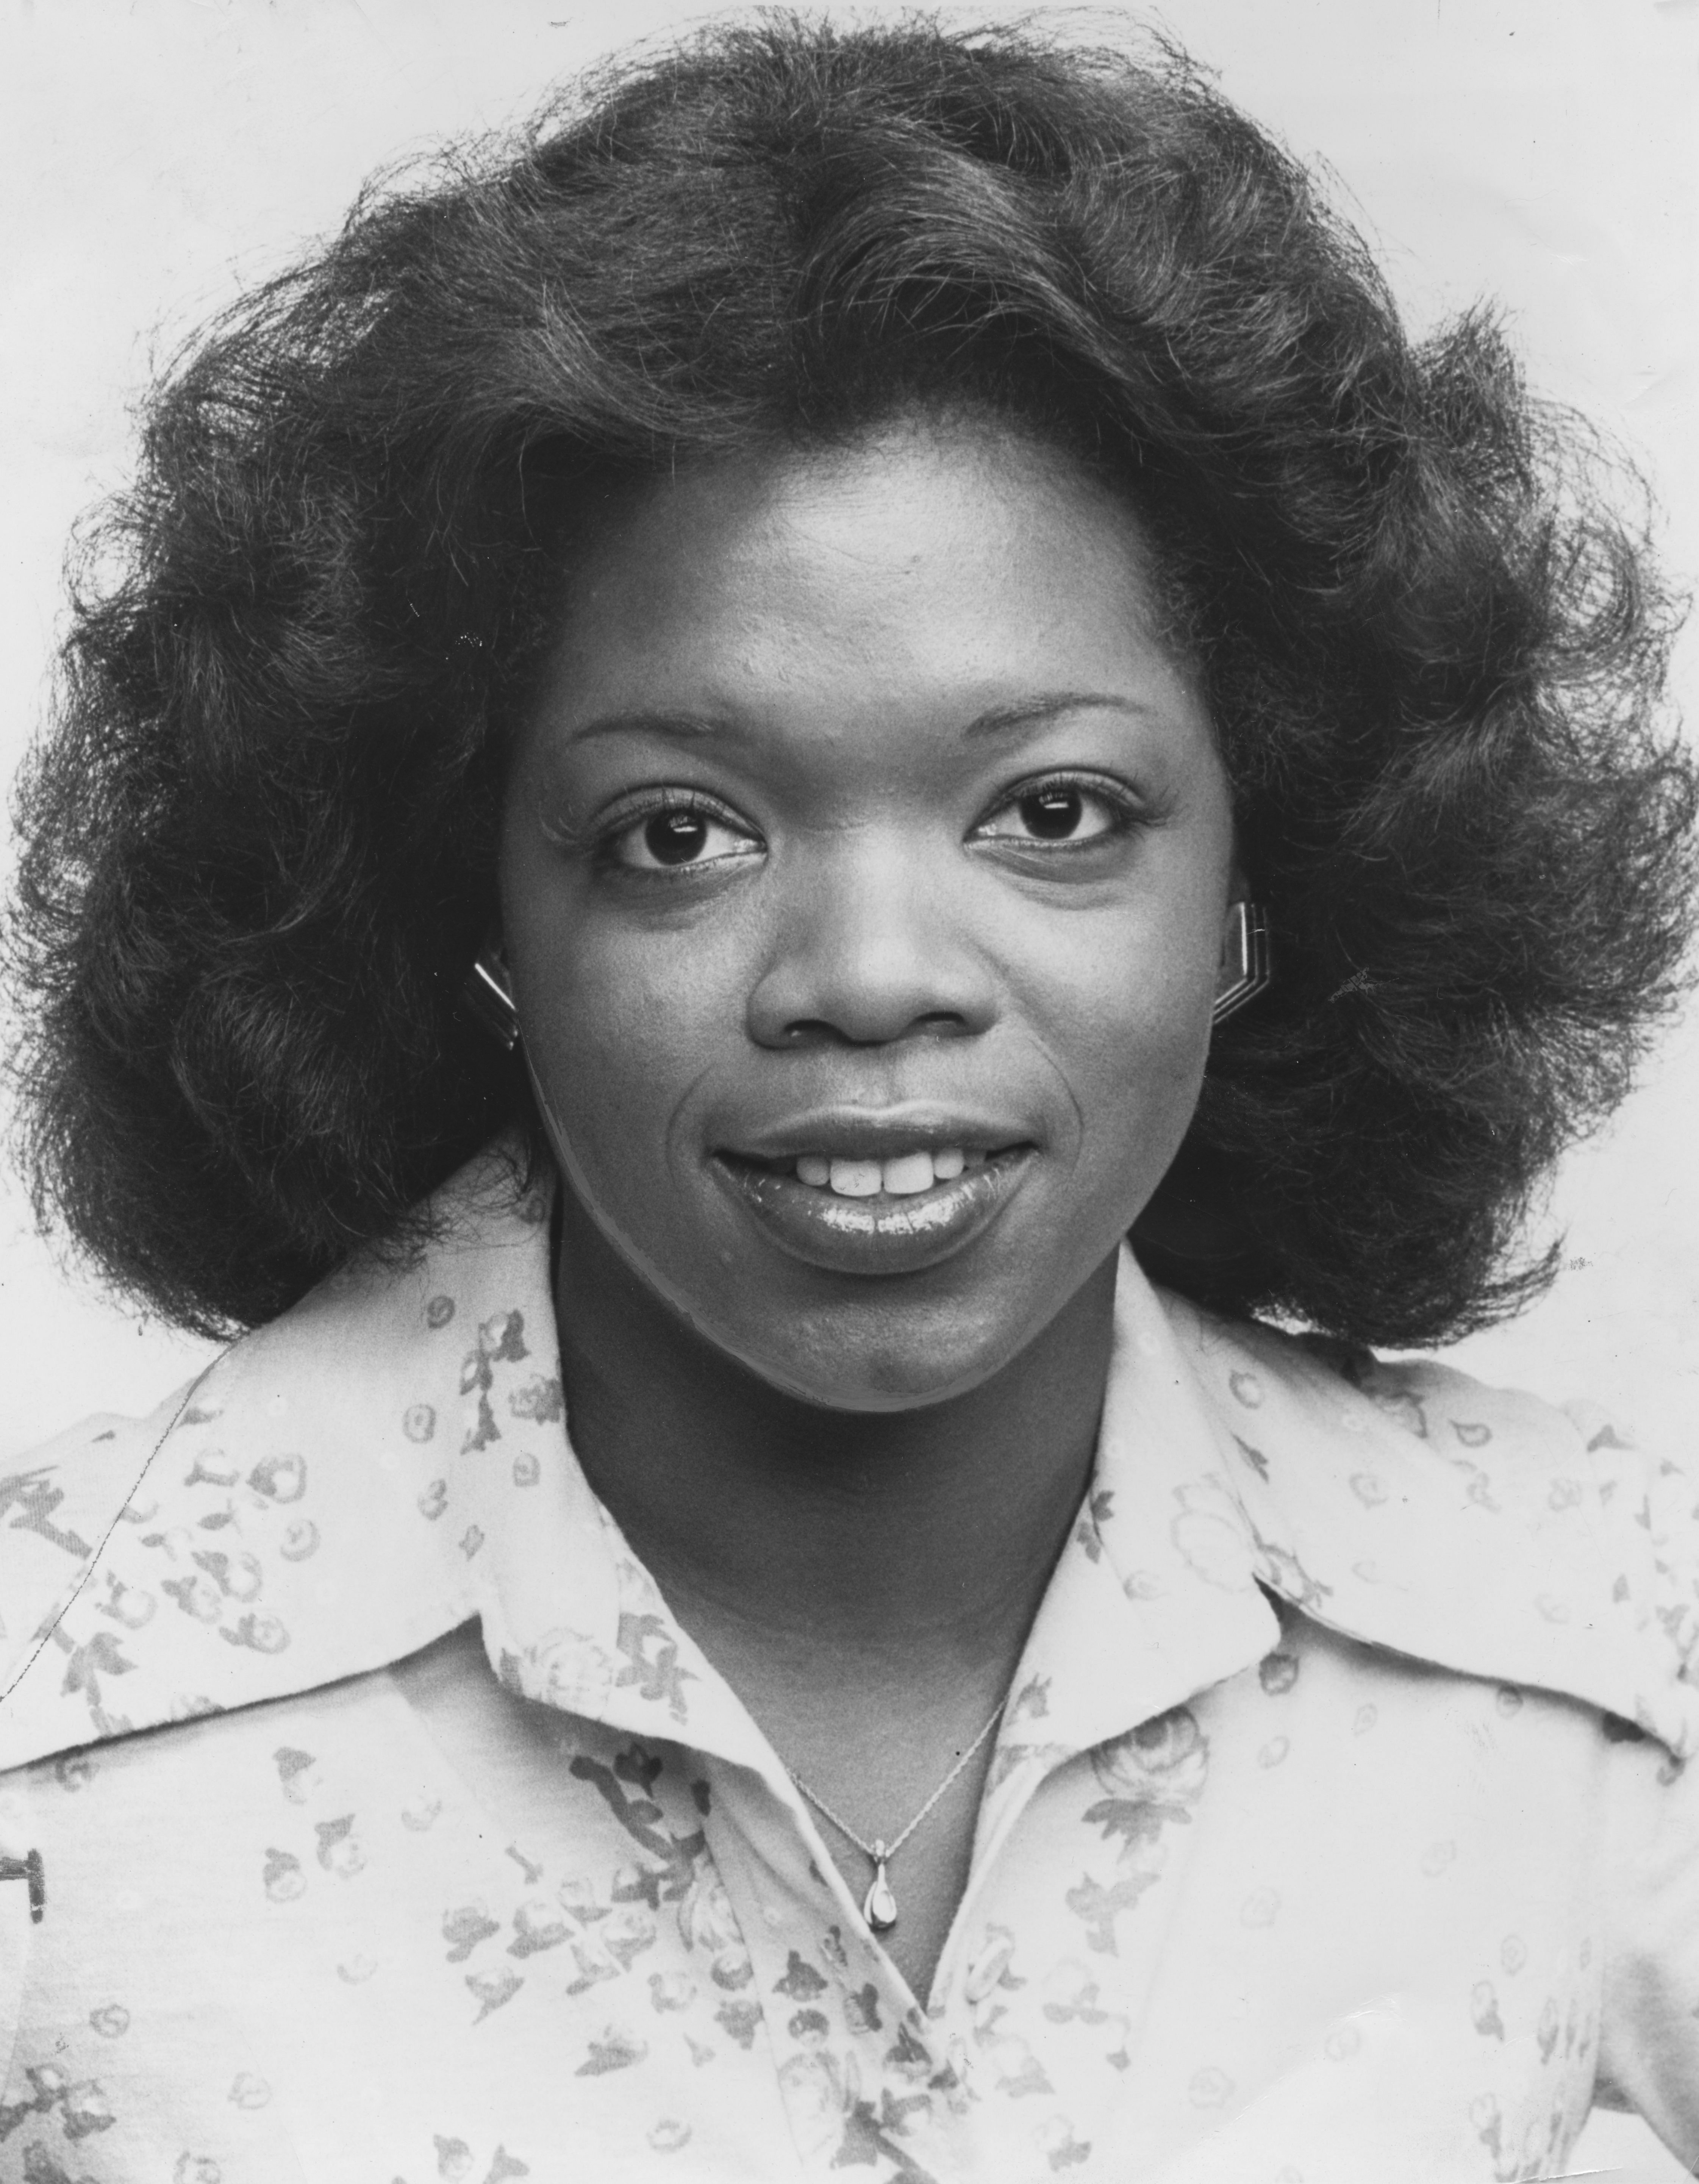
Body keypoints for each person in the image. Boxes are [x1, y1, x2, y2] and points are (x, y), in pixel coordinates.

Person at [2, 14, 1696, 2179]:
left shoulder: (1588, 1641)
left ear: (1264, 879)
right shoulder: (54, 1718)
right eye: (680, 834)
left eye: (1057, 809)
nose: (872, 976)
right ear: (470, 904)